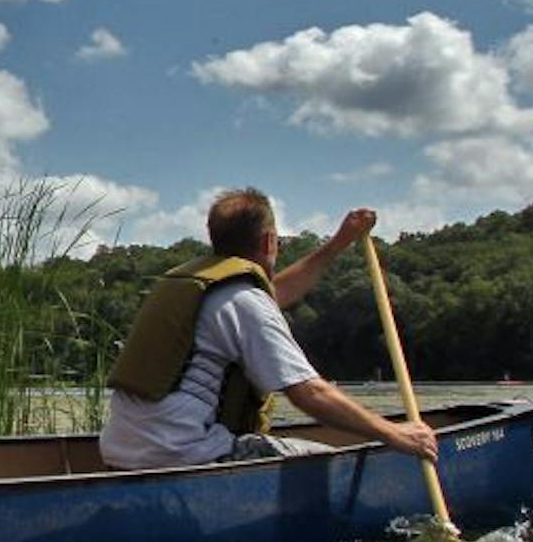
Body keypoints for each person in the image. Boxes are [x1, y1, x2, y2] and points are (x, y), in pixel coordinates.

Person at [98, 190, 438, 471]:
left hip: (119, 454)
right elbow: (310, 394)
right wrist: (395, 434)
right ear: (270, 241)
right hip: (185, 457)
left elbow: (278, 293)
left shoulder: (202, 289)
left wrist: (339, 243)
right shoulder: (245, 301)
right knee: (324, 461)